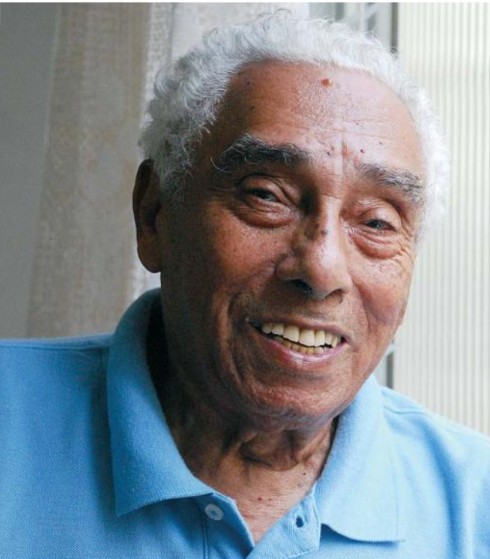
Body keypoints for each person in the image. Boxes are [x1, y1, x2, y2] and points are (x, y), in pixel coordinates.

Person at [0, 11, 489, 559]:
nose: (322, 270)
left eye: (377, 222)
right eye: (266, 195)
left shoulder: (475, 506)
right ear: (154, 214)